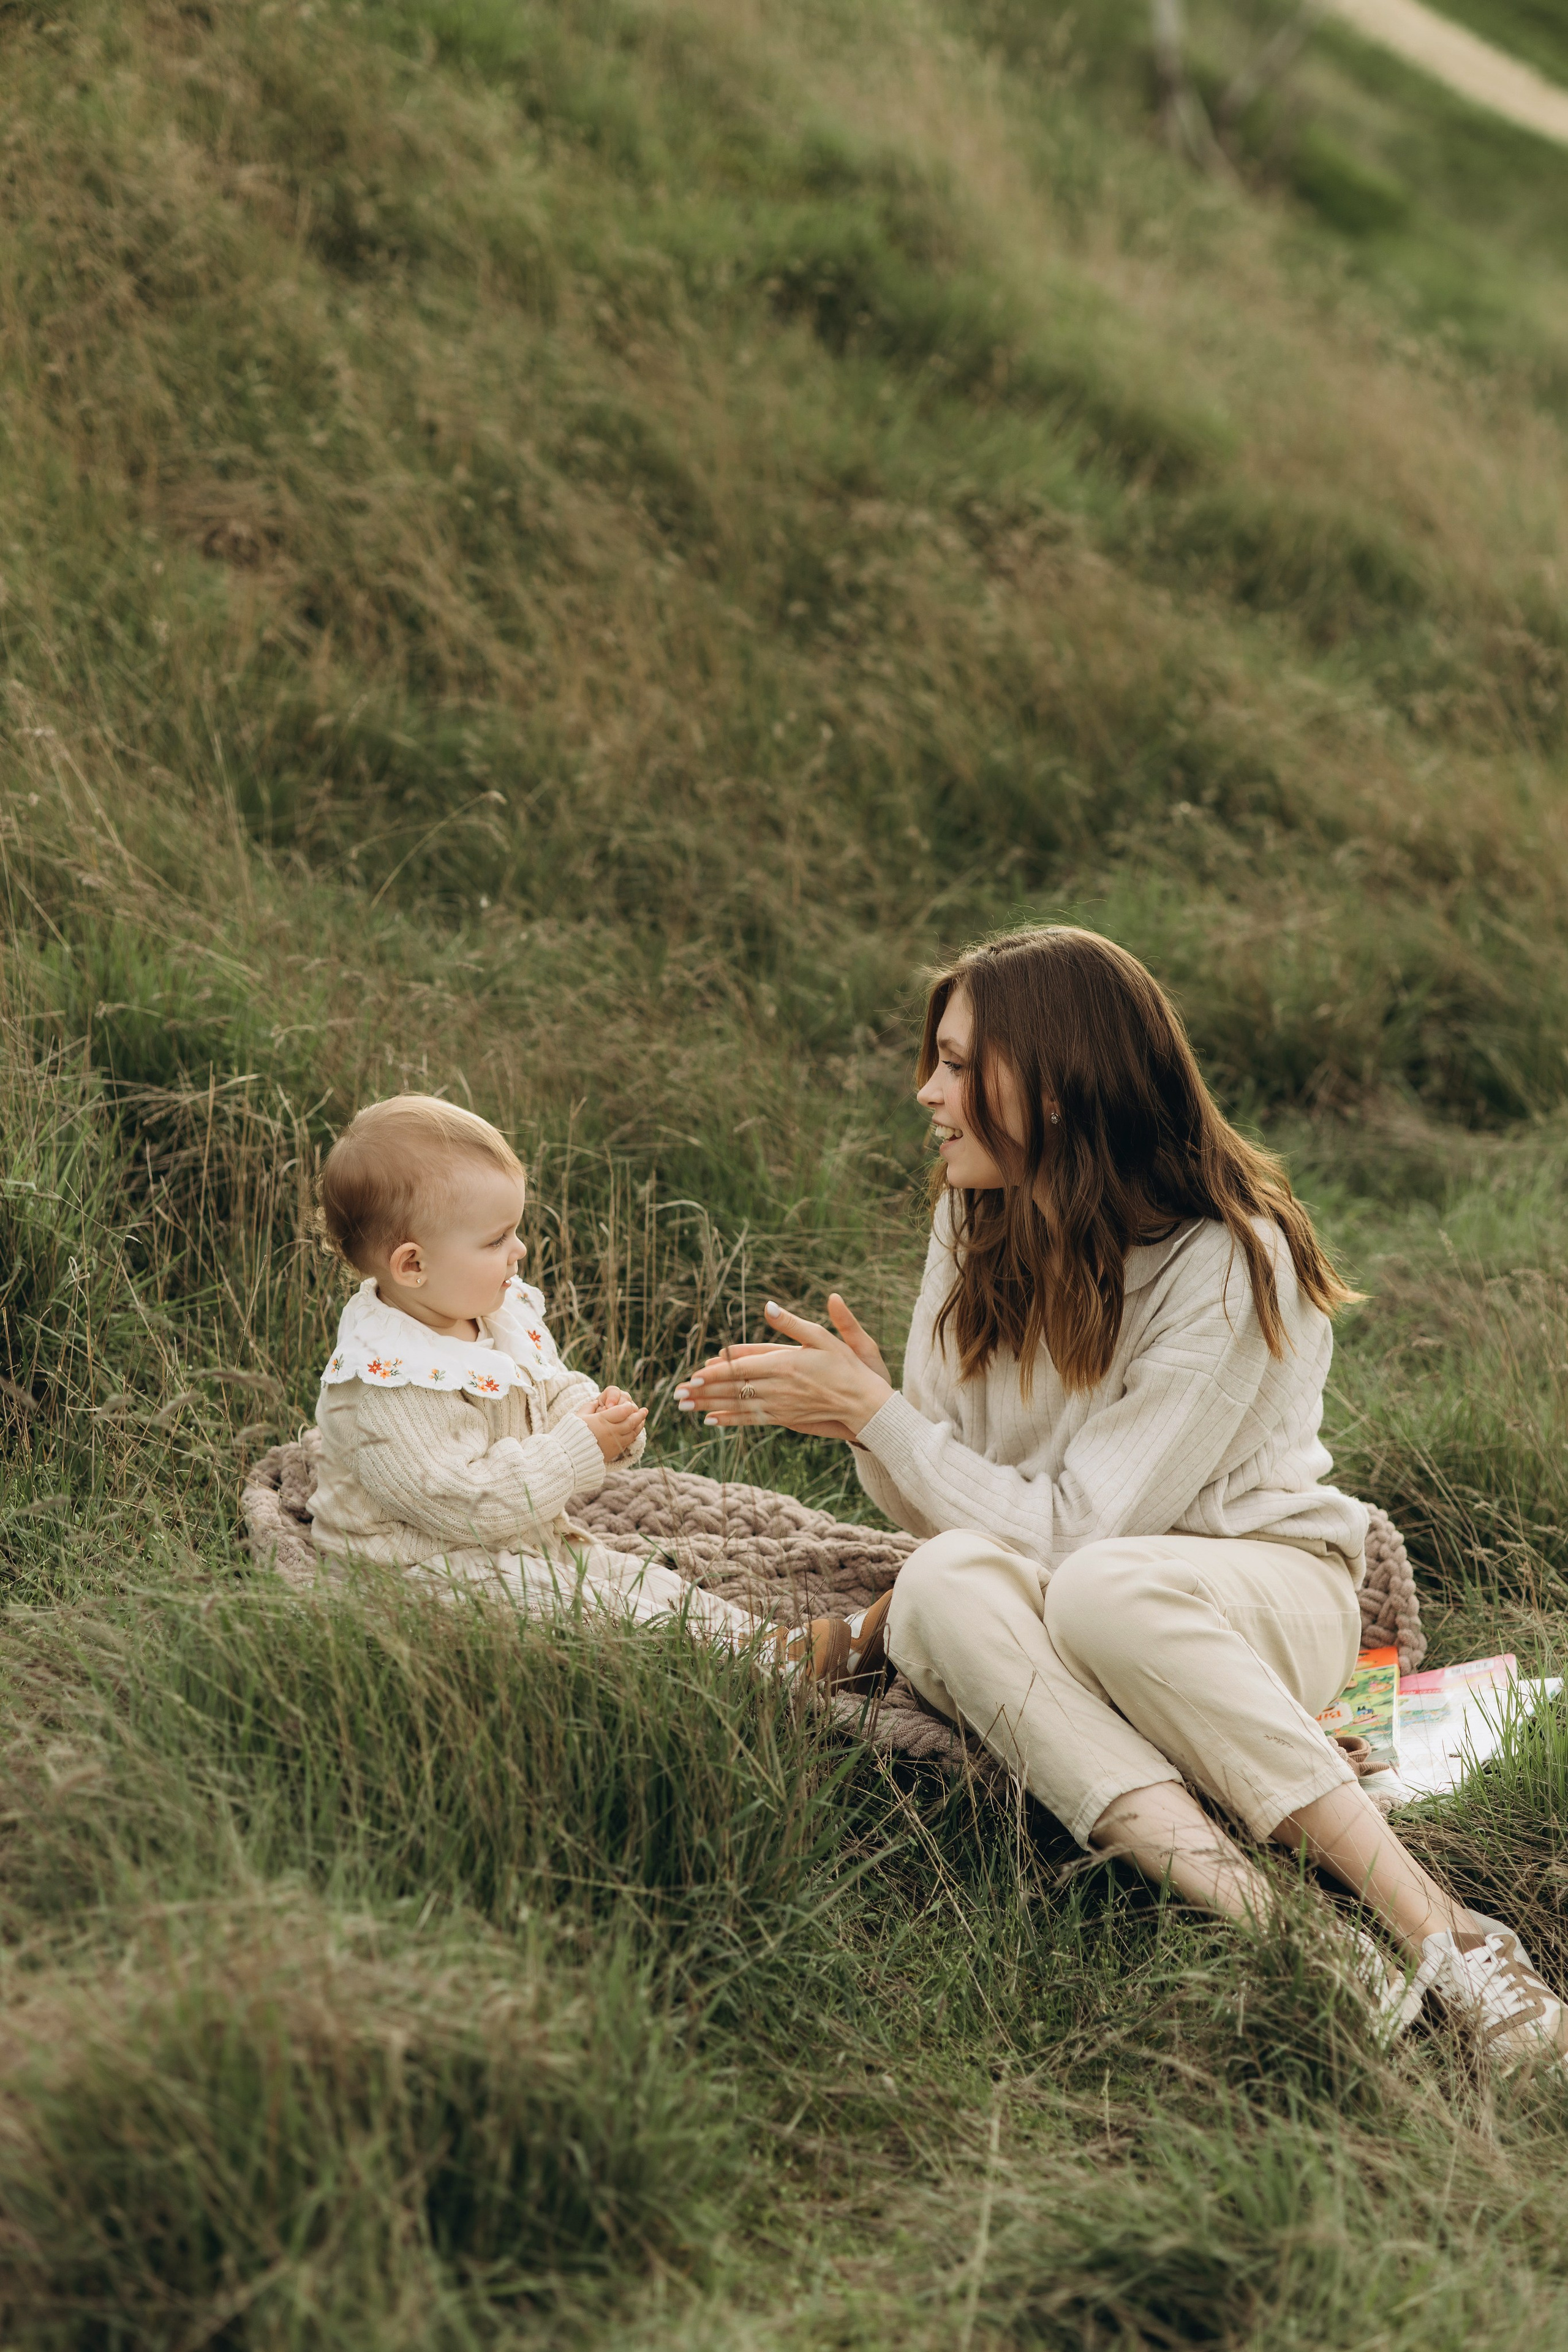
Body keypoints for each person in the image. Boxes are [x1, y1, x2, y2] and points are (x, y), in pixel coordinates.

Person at [679, 927, 1567, 2071]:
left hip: (1255, 1590)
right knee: (941, 1582)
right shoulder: (975, 1214)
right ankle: (1287, 1937)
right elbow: (956, 1515)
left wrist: (880, 1418)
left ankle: (1448, 1933)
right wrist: (875, 1422)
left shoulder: (1234, 1262)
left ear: (1050, 1090)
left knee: (1098, 1586)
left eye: (957, 1066)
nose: (927, 1093)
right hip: (1073, 1590)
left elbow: (1086, 1531)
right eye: (934, 1060)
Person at [309, 1095, 888, 1688]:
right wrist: (573, 1449)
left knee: (634, 1580)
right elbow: (465, 1504)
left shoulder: (488, 1313)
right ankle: (758, 1673)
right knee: (591, 1612)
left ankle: (774, 1646)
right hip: (417, 1569)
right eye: (496, 1240)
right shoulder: (385, 1380)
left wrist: (591, 1417)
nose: (520, 1251)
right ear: (411, 1265)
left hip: (516, 1539)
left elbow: (545, 1387)